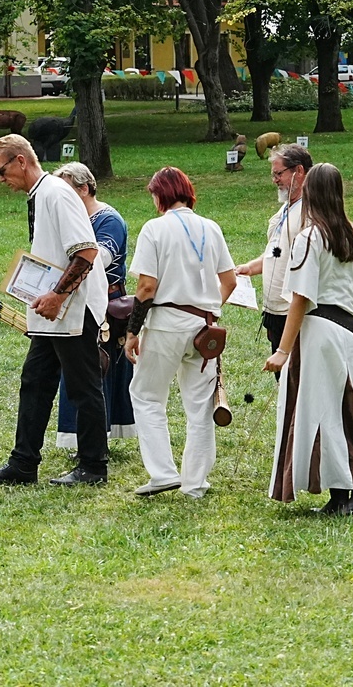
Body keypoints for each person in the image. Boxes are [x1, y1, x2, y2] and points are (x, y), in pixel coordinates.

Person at [0, 135, 110, 487]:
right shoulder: (42, 194)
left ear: (21, 161)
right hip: (52, 313)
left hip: (73, 310)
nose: (0, 179)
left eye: (2, 170)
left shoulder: (57, 193)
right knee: (35, 382)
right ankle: (23, 464)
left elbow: (87, 252)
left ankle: (94, 466)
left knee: (83, 387)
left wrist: (56, 296)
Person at [265, 163, 353, 514]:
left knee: (321, 412)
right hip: (347, 330)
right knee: (340, 408)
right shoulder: (352, 234)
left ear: (310, 192)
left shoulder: (309, 237)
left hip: (319, 332)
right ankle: (348, 490)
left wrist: (282, 350)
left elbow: (301, 296)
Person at [122, 168, 236, 498]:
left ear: (161, 195)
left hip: (165, 324)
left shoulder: (155, 229)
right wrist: (210, 308)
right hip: (204, 328)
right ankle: (195, 483)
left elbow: (146, 286)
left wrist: (132, 331)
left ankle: (163, 473)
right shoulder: (211, 227)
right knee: (200, 407)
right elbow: (229, 281)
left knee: (146, 395)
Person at [53, 162, 135, 450]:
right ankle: (79, 437)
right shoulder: (71, 219)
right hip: (76, 299)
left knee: (97, 368)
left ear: (84, 189)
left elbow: (99, 259)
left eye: (66, 190)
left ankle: (96, 439)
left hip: (106, 305)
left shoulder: (109, 219)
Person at [233, 144, 313, 360]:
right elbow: (277, 252)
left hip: (295, 313)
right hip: (275, 311)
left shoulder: (310, 211)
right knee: (282, 376)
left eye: (279, 174)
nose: (275, 180)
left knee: (295, 374)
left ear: (299, 171)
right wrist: (250, 268)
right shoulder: (286, 207)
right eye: (273, 175)